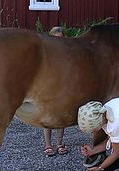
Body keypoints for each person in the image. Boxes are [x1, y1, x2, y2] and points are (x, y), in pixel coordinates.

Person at [43, 26, 68, 157]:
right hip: (50, 86)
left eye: (61, 39)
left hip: (63, 86)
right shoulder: (47, 53)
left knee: (62, 116)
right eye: (55, 38)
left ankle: (59, 143)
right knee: (48, 115)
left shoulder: (67, 54)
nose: (58, 41)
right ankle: (47, 144)